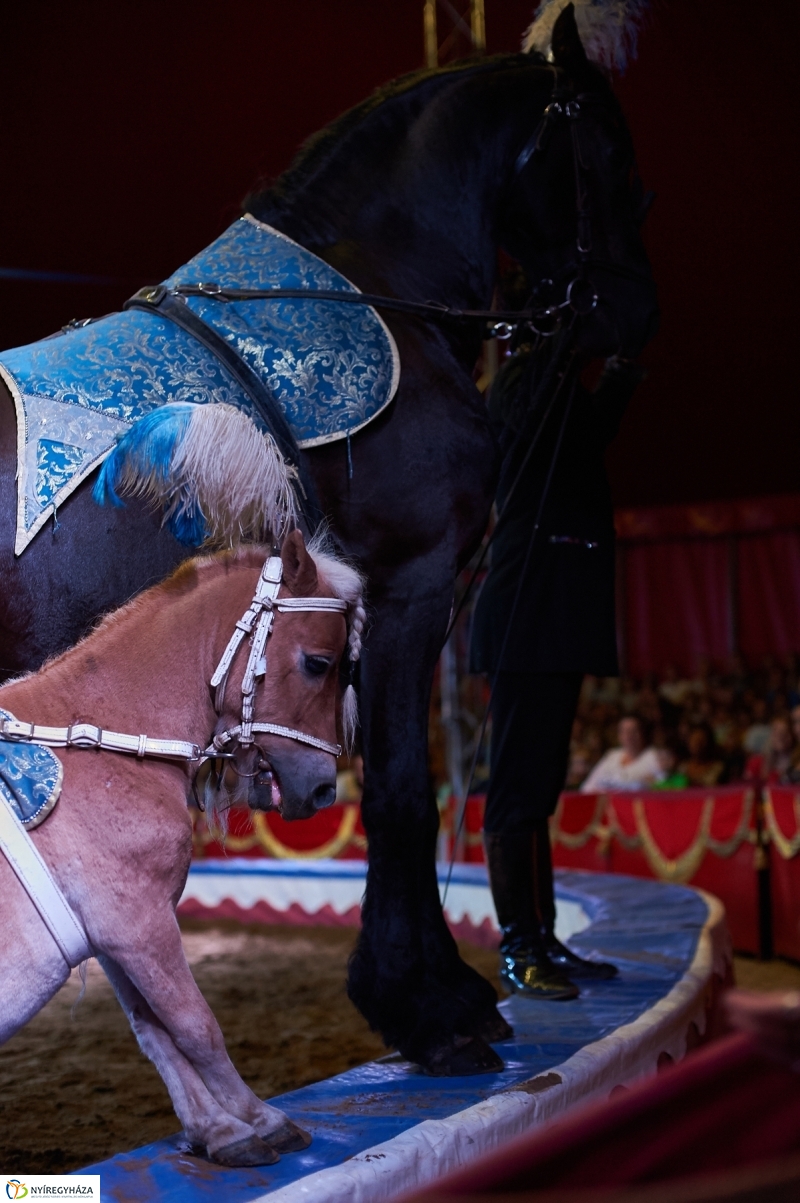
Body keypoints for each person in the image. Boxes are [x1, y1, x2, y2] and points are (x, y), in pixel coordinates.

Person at [470, 346, 645, 1001]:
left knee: (539, 790)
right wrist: (559, 349)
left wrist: (620, 370)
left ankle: (541, 937)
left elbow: (591, 432)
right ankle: (518, 946)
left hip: (560, 610)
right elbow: (535, 409)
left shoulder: (560, 396)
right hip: (526, 611)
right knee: (516, 790)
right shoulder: (516, 385)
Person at [580, 715, 661, 793]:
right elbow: (587, 787)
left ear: (642, 733)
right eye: (623, 731)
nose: (628, 735)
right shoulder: (612, 755)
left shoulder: (654, 757)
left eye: (633, 731)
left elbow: (662, 789)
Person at [680, 722, 726, 787]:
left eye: (701, 740)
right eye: (694, 739)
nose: (697, 744)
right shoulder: (682, 768)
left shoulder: (717, 768)